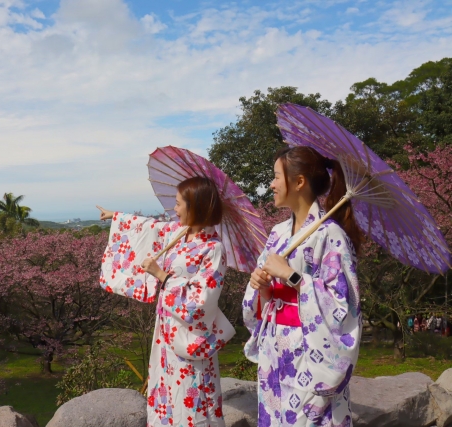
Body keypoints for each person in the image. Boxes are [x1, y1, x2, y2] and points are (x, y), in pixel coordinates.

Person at [97, 176, 235, 427]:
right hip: (166, 332)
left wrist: (162, 276)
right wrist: (116, 217)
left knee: (192, 396)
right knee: (166, 394)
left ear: (195, 206)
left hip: (190, 336)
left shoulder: (213, 249)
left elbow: (202, 301)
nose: (174, 208)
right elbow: (150, 227)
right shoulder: (179, 234)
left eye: (179, 203)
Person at [243, 146, 363, 426]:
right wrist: (262, 287)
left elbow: (343, 304)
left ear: (299, 182)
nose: (271, 184)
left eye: (275, 177)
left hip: (310, 354)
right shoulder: (277, 234)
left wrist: (291, 276)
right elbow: (267, 297)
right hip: (275, 352)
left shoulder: (330, 235)